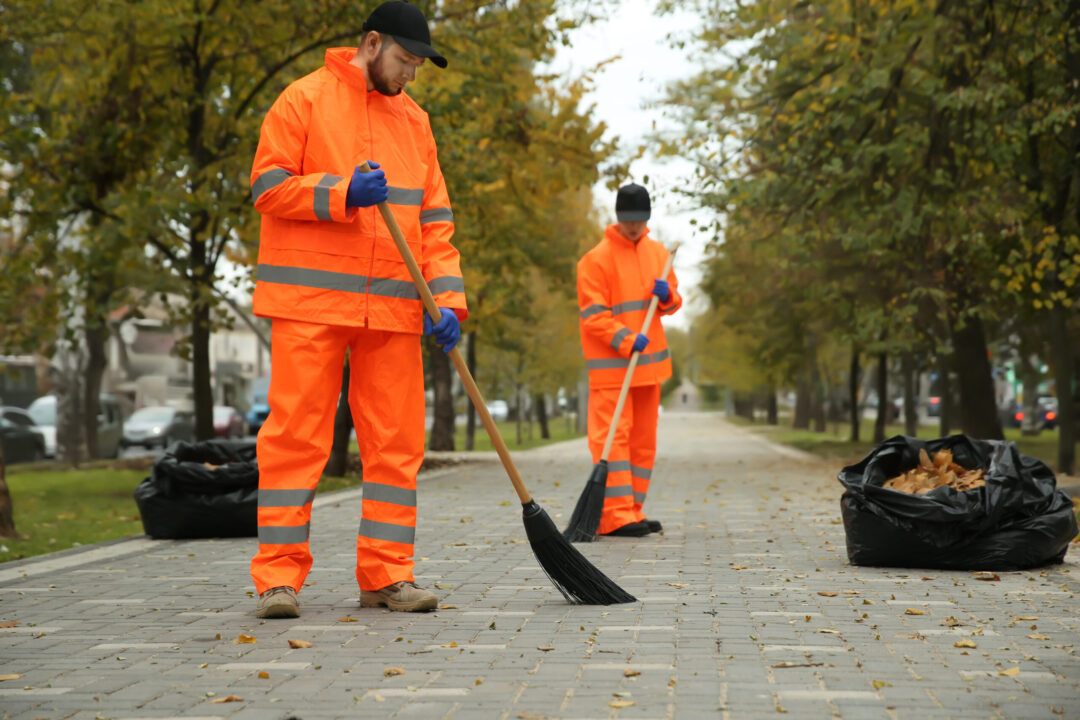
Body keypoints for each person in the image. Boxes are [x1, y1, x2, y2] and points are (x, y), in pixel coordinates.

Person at [248, 1, 466, 618]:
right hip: (310, 305)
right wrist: (340, 190)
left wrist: (447, 301)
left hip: (395, 309)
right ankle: (278, 580)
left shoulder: (416, 125)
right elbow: (267, 186)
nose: (411, 76)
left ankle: (387, 576)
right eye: (405, 61)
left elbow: (436, 223)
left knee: (396, 443)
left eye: (419, 66)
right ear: (372, 44)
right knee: (295, 439)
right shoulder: (303, 100)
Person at [577, 183, 681, 537]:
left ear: (647, 218)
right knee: (614, 442)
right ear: (617, 217)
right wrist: (624, 339)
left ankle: (632, 510)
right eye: (627, 219)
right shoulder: (595, 261)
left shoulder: (659, 254)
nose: (634, 226)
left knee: (642, 442)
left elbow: (672, 302)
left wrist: (668, 297)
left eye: (639, 220)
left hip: (649, 369)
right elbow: (593, 315)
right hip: (612, 371)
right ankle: (614, 516)